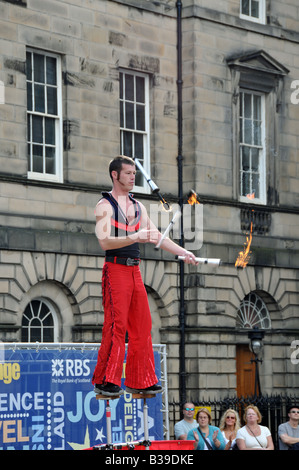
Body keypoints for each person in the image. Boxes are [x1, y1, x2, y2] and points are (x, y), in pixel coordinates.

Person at [92, 156, 198, 396]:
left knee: (142, 326)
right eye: (128, 173)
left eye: (134, 173)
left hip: (134, 271)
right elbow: (104, 241)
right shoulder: (104, 205)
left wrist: (184, 252)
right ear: (115, 175)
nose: (132, 177)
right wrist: (135, 237)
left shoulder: (138, 206)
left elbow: (158, 237)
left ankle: (141, 379)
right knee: (116, 325)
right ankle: (106, 380)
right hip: (115, 269)